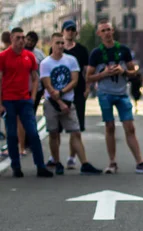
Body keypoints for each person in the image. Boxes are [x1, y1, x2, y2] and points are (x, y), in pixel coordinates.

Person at [87, 19, 143, 174]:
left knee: (130, 128)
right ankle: (112, 162)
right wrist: (104, 73)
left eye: (108, 29)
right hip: (105, 94)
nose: (106, 33)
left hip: (122, 93)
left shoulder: (123, 50)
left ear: (113, 31)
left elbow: (135, 73)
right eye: (103, 30)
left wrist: (123, 71)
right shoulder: (96, 53)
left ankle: (140, 162)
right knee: (109, 127)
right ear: (99, 34)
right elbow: (88, 77)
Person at [40, 33, 102, 175]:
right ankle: (57, 162)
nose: (61, 46)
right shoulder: (45, 63)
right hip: (52, 103)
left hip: (68, 100)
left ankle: (84, 163)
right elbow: (48, 86)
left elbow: (74, 80)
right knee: (53, 133)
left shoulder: (71, 60)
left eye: (62, 43)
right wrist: (59, 102)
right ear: (51, 44)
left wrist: (62, 93)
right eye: (57, 43)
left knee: (75, 132)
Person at [0, 27, 53, 178]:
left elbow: (35, 78)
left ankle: (40, 166)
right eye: (18, 38)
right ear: (11, 39)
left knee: (33, 133)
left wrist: (33, 97)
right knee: (11, 134)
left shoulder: (29, 56)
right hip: (9, 101)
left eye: (23, 37)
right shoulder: (3, 56)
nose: (21, 40)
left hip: (25, 100)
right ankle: (16, 166)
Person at [46, 20, 93, 171]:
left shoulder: (80, 51)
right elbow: (48, 78)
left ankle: (74, 158)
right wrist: (56, 96)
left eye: (73, 30)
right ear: (62, 31)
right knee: (55, 130)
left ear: (76, 32)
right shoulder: (50, 57)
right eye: (68, 30)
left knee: (75, 129)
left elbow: (84, 73)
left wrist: (87, 88)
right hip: (55, 97)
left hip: (75, 94)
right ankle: (55, 158)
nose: (70, 32)